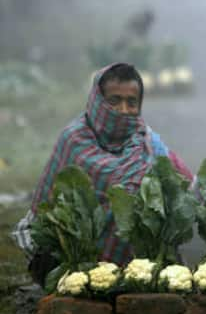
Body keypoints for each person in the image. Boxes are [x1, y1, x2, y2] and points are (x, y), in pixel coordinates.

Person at [11, 62, 194, 287]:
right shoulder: (73, 141)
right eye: (114, 101)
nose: (124, 110)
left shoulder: (148, 143)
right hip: (75, 261)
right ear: (97, 101)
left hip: (140, 266)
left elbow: (189, 187)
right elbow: (43, 211)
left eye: (131, 103)